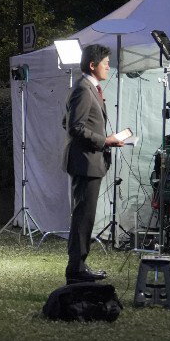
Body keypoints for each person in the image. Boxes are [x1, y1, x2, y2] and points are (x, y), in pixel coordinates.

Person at [64, 44, 127, 283]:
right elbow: (75, 127)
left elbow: (67, 121)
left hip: (89, 161)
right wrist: (105, 141)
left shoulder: (89, 88)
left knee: (85, 215)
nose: (109, 66)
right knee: (83, 216)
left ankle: (79, 265)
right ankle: (76, 267)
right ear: (93, 65)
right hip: (85, 162)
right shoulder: (83, 89)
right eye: (106, 62)